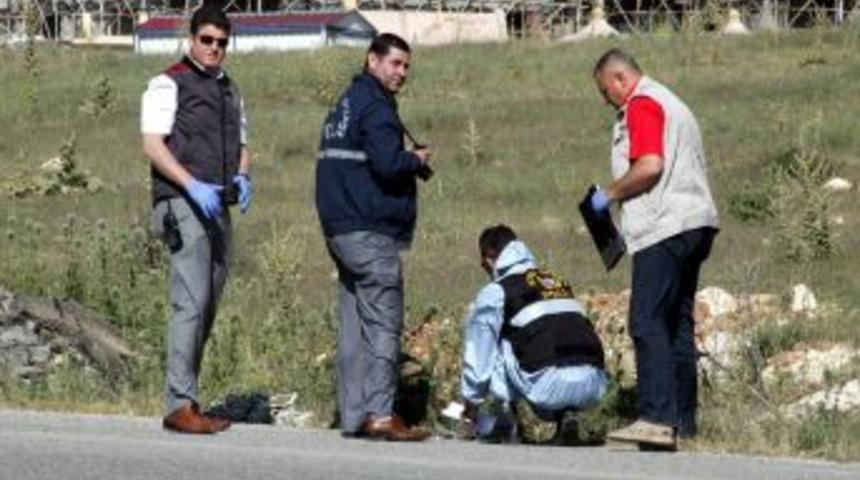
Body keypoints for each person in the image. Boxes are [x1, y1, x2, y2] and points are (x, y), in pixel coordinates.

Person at [588, 48, 718, 449]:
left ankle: (656, 419)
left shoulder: (642, 104)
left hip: (664, 226)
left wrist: (607, 195)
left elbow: (650, 166)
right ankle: (683, 423)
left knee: (646, 320)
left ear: (620, 79)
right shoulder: (673, 101)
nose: (604, 99)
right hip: (696, 222)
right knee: (677, 323)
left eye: (605, 90)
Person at [315, 33, 433, 441]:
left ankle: (354, 416)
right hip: (369, 229)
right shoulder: (377, 107)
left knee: (353, 326)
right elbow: (386, 164)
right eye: (395, 63)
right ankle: (381, 414)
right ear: (373, 61)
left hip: (339, 229)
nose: (401, 73)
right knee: (383, 321)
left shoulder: (344, 105)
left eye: (406, 66)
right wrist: (414, 159)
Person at [141, 5, 252, 434]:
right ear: (192, 39)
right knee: (190, 301)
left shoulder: (229, 89)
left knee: (208, 304)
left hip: (217, 204)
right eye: (207, 40)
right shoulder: (167, 83)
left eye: (222, 42)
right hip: (183, 201)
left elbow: (243, 141)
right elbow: (152, 144)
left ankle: (187, 397)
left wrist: (242, 174)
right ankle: (179, 405)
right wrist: (191, 184)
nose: (214, 49)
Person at [460, 225, 607, 442]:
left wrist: (469, 408)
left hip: (547, 387)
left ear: (490, 257)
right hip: (594, 385)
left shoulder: (497, 291)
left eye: (483, 264)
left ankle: (506, 419)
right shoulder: (557, 282)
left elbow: (479, 360)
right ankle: (568, 417)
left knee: (493, 338)